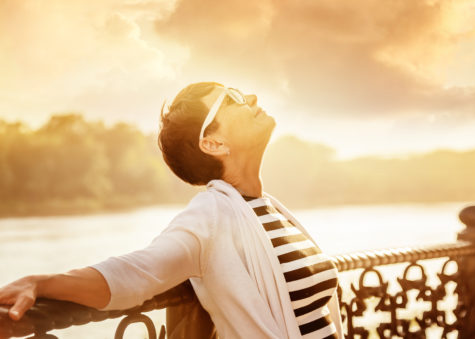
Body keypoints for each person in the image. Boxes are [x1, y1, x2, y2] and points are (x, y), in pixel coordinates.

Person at [0, 82, 344, 339]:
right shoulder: (211, 216)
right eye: (231, 100)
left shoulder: (268, 209)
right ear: (213, 144)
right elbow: (136, 273)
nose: (251, 98)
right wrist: (41, 283)